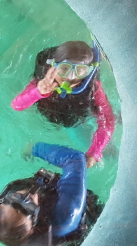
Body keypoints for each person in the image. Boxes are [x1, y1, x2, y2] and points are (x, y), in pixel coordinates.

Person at [11, 38, 115, 168]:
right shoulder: (43, 82)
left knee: (108, 150)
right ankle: (32, 148)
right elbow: (16, 106)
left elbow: (107, 120)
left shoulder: (93, 87)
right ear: (53, 66)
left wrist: (94, 153)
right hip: (49, 117)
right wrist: (38, 91)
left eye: (80, 70)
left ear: (88, 72)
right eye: (64, 68)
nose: (71, 77)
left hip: (77, 116)